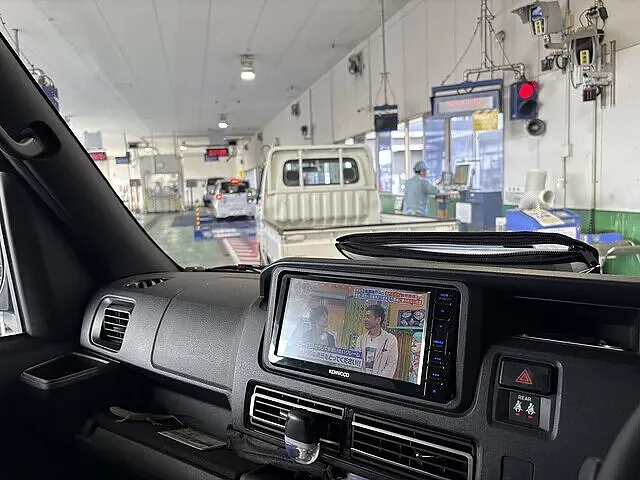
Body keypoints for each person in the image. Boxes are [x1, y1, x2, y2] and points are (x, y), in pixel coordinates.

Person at [356, 305, 398, 378]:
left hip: (380, 381)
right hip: (360, 379)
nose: (365, 319)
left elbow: (391, 365)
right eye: (365, 316)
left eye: (368, 317)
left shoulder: (390, 340)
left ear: (378, 320)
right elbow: (356, 362)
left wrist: (377, 380)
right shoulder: (360, 339)